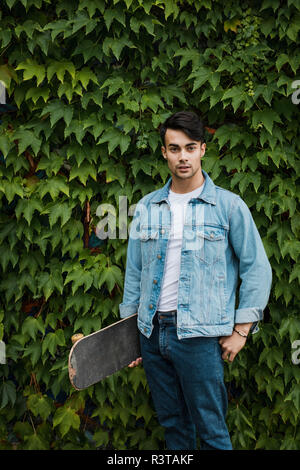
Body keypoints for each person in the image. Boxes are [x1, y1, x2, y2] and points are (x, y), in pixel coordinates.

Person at [119, 111, 272, 450]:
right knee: (174, 427)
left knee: (212, 431)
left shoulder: (228, 207)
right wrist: (130, 332)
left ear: (203, 149)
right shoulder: (147, 207)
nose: (183, 157)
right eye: (174, 149)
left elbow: (257, 268)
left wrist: (242, 329)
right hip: (152, 332)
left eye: (190, 147)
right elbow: (135, 273)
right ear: (164, 153)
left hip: (199, 336)